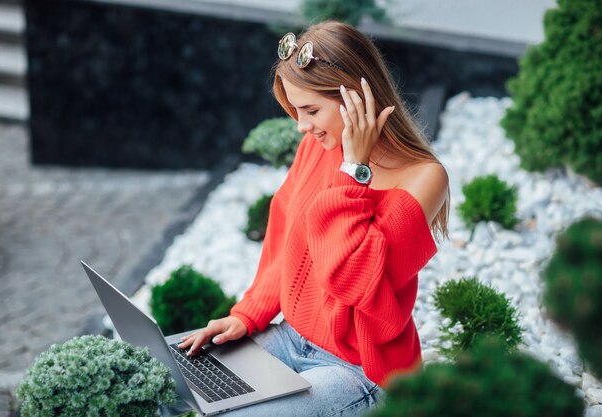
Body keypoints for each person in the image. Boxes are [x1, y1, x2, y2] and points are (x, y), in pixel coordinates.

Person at [176, 20, 449, 417]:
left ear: (357, 97)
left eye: (310, 110)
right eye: (295, 110)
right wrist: (247, 315)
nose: (302, 126)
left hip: (360, 370)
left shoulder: (424, 177)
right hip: (290, 337)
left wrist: (355, 171)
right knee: (171, 382)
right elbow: (290, 240)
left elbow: (353, 279)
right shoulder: (318, 146)